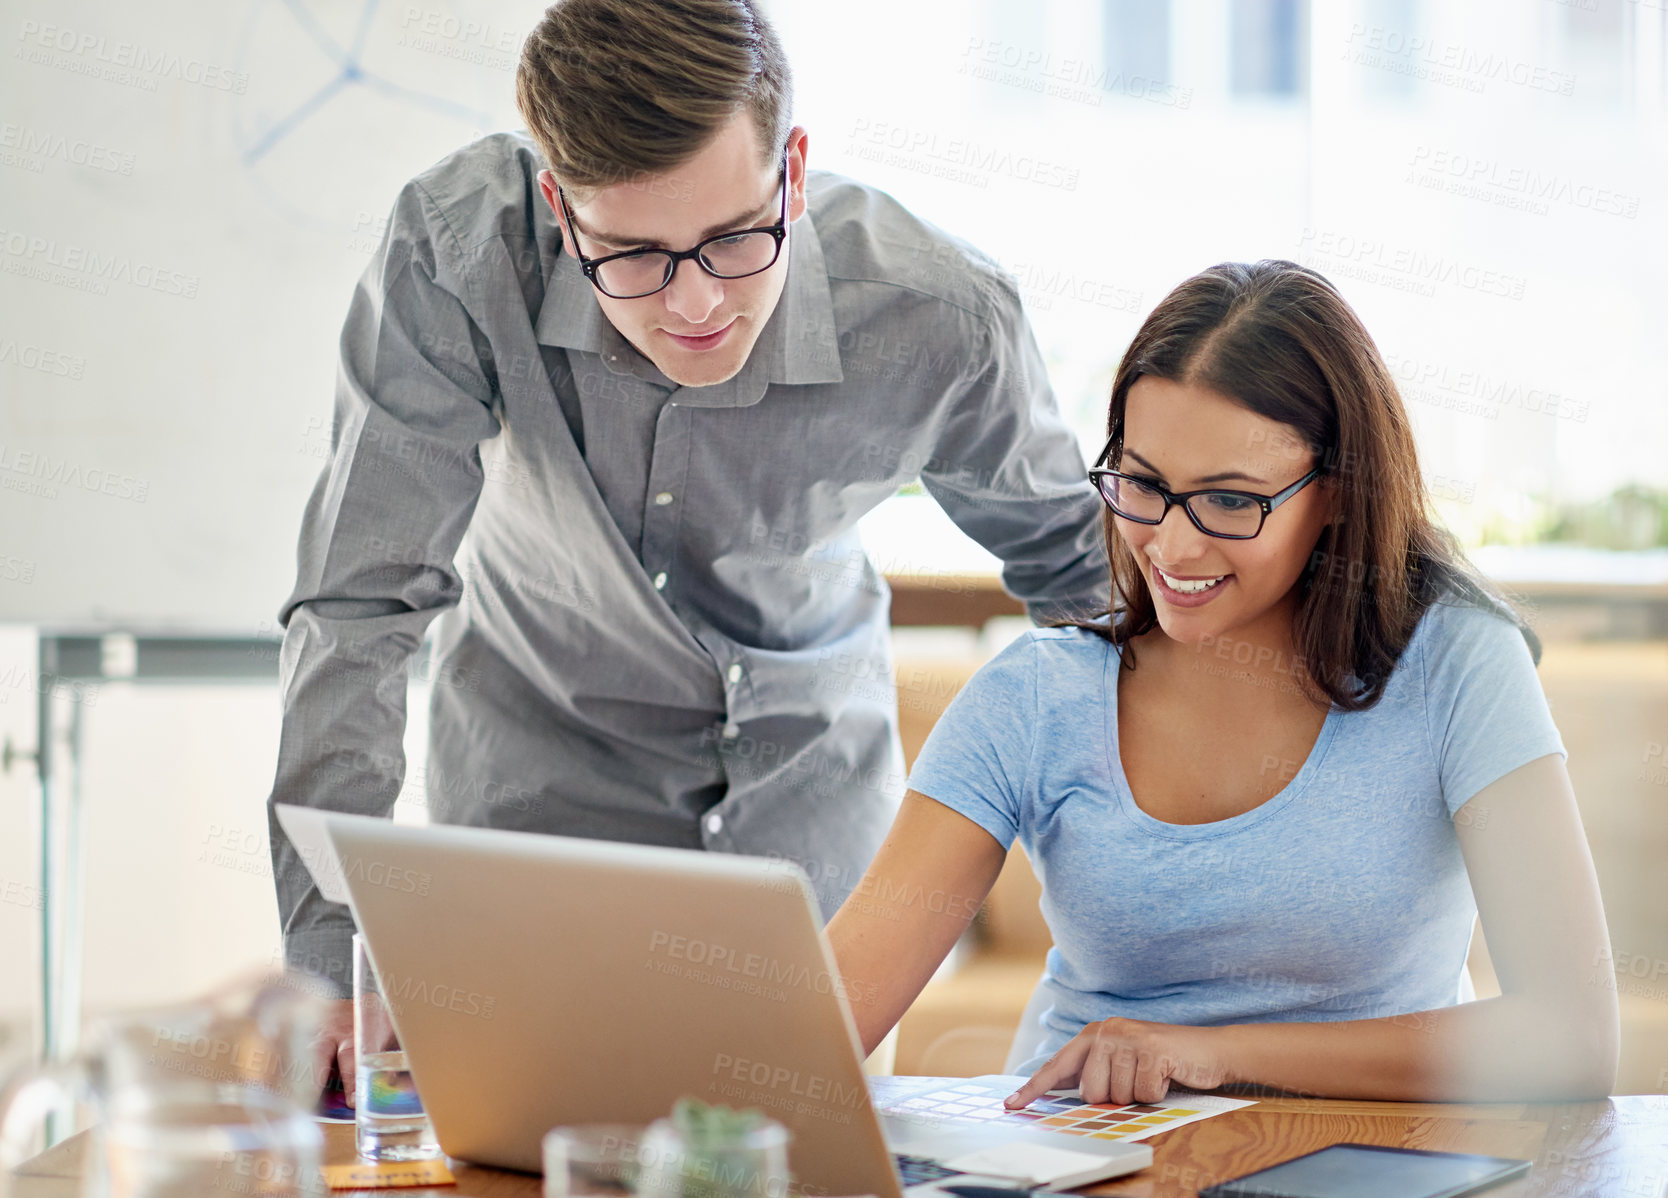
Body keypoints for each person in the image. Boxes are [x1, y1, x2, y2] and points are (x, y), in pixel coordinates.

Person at [266, 0, 1106, 1100]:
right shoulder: (459, 249)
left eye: (732, 239)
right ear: (563, 213)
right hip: (535, 821)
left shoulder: (938, 314)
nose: (697, 301)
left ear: (794, 171)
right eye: (634, 255)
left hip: (821, 858)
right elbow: (359, 608)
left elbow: (1090, 593)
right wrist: (336, 956)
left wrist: (1149, 944)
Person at [827, 259, 1619, 1104]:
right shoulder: (1032, 697)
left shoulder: (1459, 664)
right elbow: (828, 1021)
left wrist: (1211, 1053)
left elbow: (1570, 1037)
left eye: (1231, 502)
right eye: (1143, 484)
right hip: (1086, 1159)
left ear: (1341, 492)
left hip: (1375, 1161)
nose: (1172, 546)